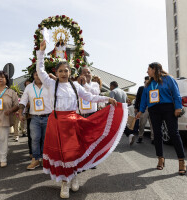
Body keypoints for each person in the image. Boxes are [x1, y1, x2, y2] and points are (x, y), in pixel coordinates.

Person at [37, 40, 128, 199]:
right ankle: (65, 182)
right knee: (62, 154)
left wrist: (106, 99)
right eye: (61, 71)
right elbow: (40, 70)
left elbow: (90, 97)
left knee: (73, 152)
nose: (64, 73)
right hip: (57, 123)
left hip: (73, 122)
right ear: (56, 73)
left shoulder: (75, 86)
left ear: (70, 72)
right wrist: (41, 52)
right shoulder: (51, 84)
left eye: (66, 71)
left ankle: (74, 176)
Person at [136, 62, 186, 175]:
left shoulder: (168, 79)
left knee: (174, 133)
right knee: (157, 134)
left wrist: (178, 107)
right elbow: (144, 98)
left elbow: (176, 93)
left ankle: (181, 161)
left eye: (148, 69)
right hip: (154, 110)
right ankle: (160, 159)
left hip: (168, 108)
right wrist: (141, 111)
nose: (147, 71)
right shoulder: (148, 84)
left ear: (154, 69)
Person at [18, 71, 52, 170]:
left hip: (48, 117)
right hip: (34, 118)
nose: (38, 76)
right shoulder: (29, 87)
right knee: (35, 139)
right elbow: (23, 101)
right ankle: (35, 159)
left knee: (46, 140)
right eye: (36, 74)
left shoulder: (49, 85)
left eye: (40, 74)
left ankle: (45, 159)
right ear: (33, 76)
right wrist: (20, 113)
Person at [135, 76, 154, 144]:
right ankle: (140, 137)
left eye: (147, 81)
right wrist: (136, 108)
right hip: (143, 109)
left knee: (152, 124)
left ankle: (153, 139)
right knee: (142, 123)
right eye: (145, 82)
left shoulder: (154, 88)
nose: (146, 83)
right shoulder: (141, 88)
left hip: (152, 108)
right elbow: (137, 98)